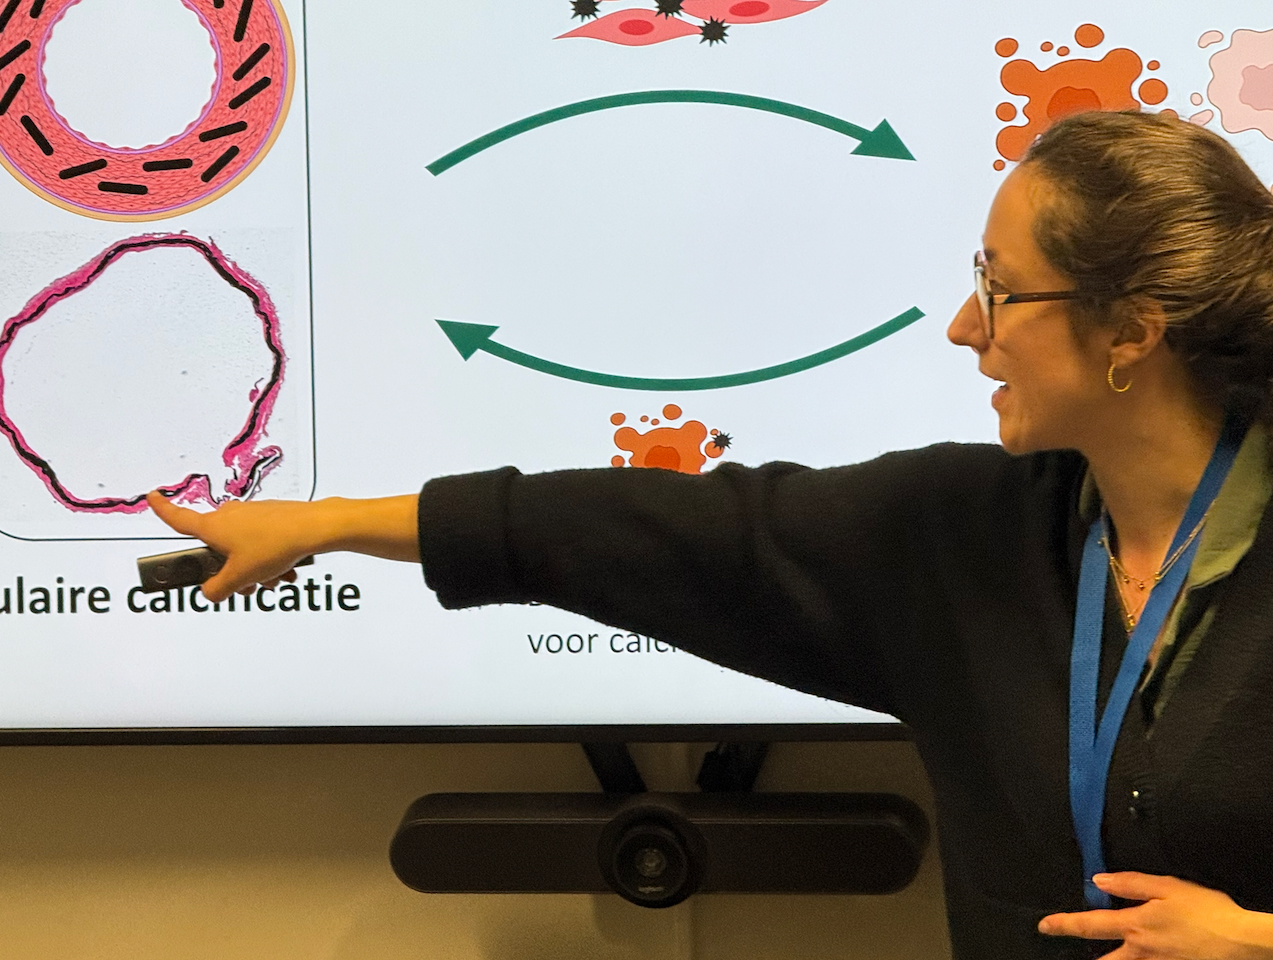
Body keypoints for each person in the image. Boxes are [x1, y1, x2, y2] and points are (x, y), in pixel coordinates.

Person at [148, 110, 1273, 960]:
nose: (962, 326)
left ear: (1130, 333)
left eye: (1000, 288)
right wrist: (327, 523)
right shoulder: (963, 537)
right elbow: (656, 532)